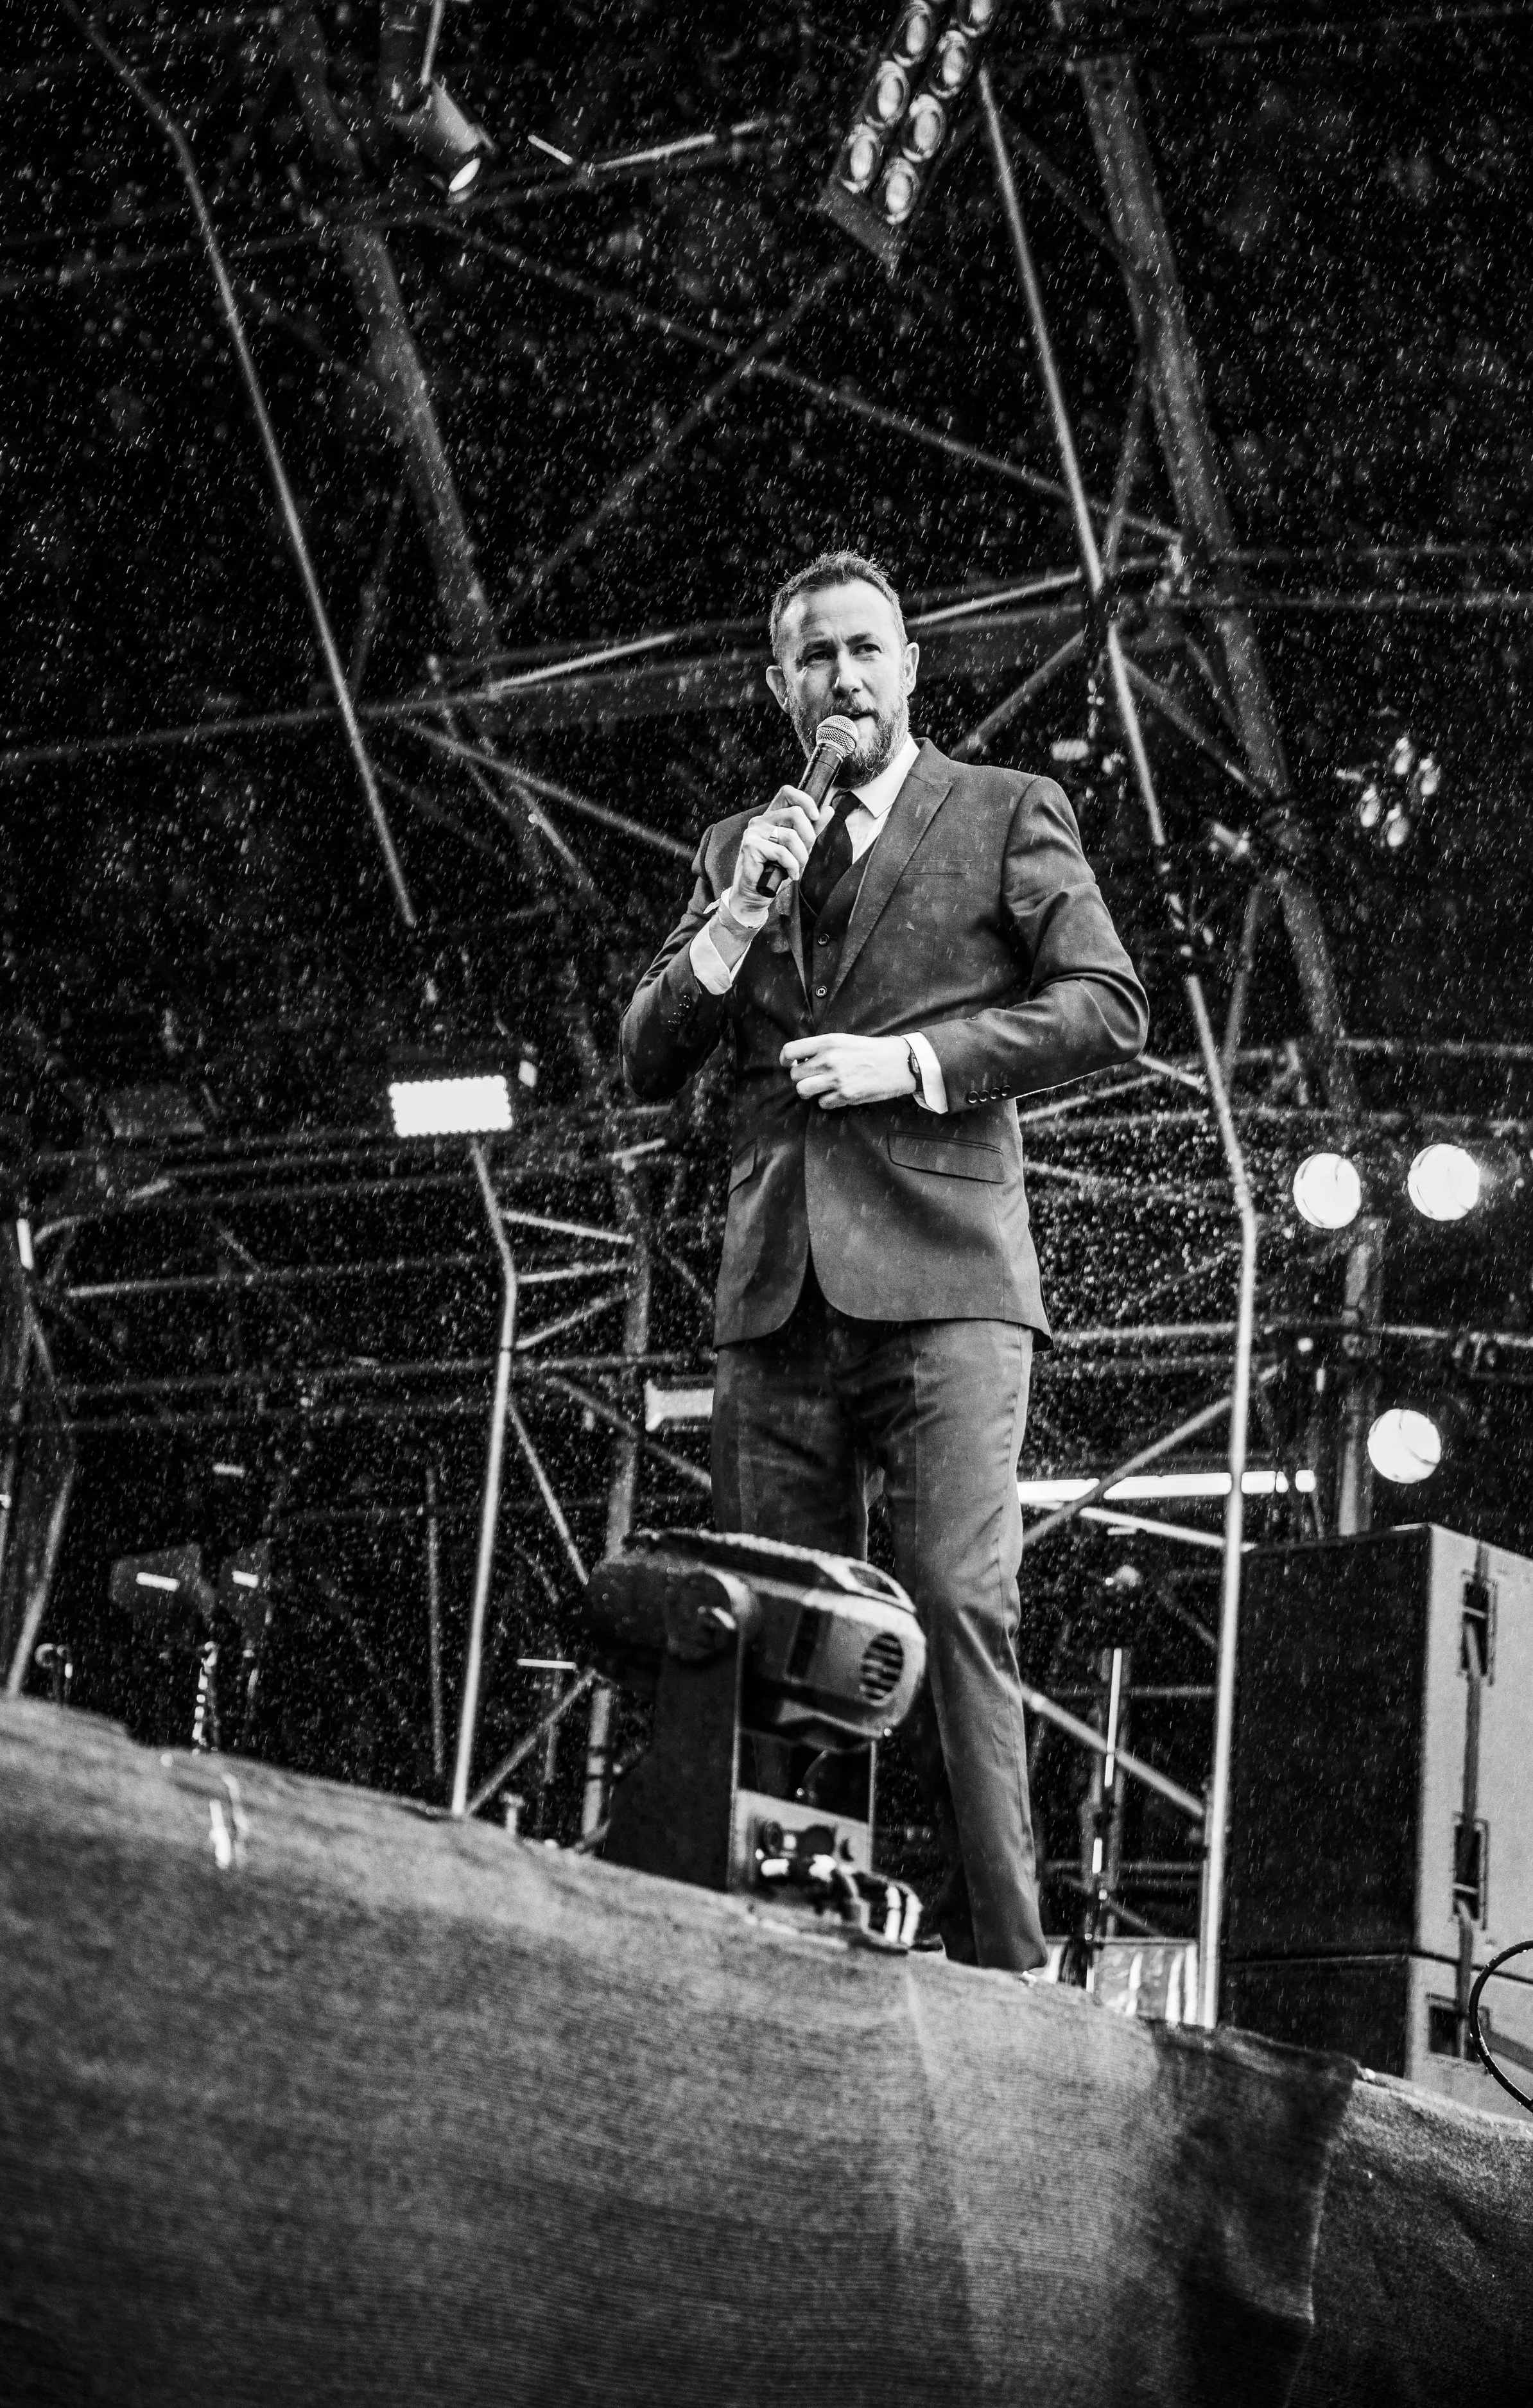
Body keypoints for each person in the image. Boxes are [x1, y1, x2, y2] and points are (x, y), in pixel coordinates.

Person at [621, 551, 1148, 1970]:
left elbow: (1105, 1004)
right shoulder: (742, 845)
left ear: (910, 667)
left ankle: (1007, 1962)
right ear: (777, 683)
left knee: (951, 1603)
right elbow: (643, 1054)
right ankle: (745, 1942)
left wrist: (911, 1061)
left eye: (866, 650)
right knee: (759, 1626)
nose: (842, 679)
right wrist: (734, 918)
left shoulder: (1000, 812)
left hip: (947, 1287)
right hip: (773, 1289)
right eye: (814, 658)